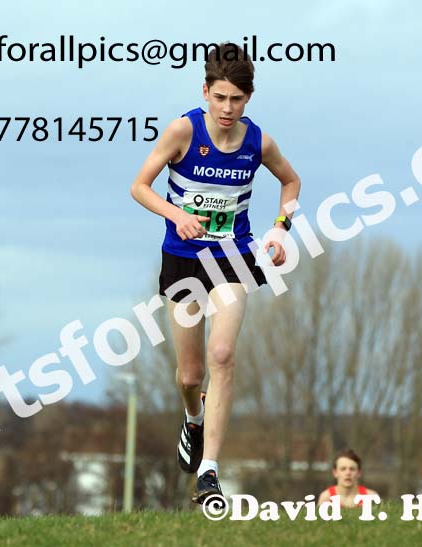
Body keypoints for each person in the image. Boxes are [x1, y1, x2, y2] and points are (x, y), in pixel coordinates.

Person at [130, 42, 301, 504]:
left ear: (248, 98)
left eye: (237, 99)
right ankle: (193, 417)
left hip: (233, 258)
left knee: (222, 354)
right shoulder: (182, 131)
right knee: (190, 376)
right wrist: (176, 214)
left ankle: (209, 471)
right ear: (205, 91)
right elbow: (139, 186)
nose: (227, 108)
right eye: (220, 97)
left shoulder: (257, 142)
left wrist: (282, 229)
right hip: (183, 259)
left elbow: (291, 181)